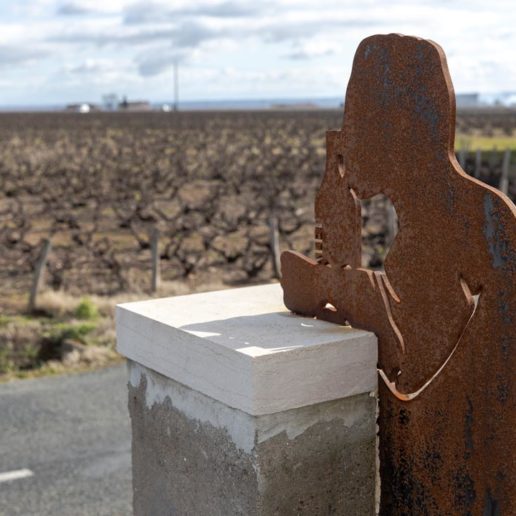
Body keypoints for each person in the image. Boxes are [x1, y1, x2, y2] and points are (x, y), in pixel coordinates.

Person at [281, 33, 515, 515]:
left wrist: (355, 295)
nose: (345, 139)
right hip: (417, 482)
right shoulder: (417, 230)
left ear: (401, 127)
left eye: (357, 122)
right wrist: (342, 278)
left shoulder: (483, 219)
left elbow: (477, 385)